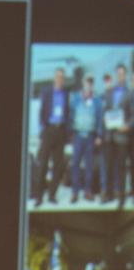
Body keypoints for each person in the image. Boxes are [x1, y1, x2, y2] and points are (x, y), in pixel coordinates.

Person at [34, 68, 69, 207]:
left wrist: (66, 131)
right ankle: (38, 197)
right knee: (43, 165)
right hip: (49, 130)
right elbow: (41, 111)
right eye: (58, 77)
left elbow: (67, 112)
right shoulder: (47, 92)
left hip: (60, 131)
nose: (60, 79)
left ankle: (52, 195)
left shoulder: (66, 94)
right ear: (54, 78)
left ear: (63, 79)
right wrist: (42, 130)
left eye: (62, 77)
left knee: (57, 165)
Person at [69, 76, 103, 203]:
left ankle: (88, 191)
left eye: (90, 83)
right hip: (77, 136)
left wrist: (99, 135)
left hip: (90, 137)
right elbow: (70, 115)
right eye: (86, 83)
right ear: (83, 84)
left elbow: (100, 119)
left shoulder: (97, 101)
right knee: (75, 164)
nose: (88, 85)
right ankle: (74, 192)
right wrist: (71, 133)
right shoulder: (76, 99)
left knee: (89, 165)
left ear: (92, 85)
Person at [103, 65, 130, 208]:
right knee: (108, 166)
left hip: (121, 135)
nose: (120, 76)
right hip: (109, 135)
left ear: (125, 76)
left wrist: (127, 126)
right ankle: (109, 195)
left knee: (120, 167)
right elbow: (105, 110)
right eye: (118, 74)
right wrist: (104, 120)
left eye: (122, 74)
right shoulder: (109, 92)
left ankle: (121, 197)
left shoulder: (130, 93)